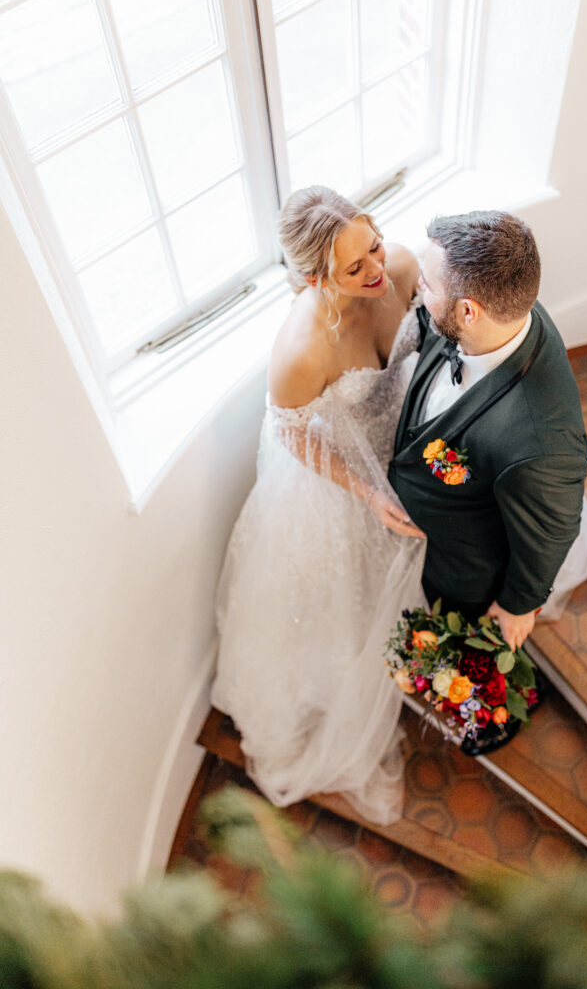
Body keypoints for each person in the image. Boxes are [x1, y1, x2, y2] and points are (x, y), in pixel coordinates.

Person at [211, 186, 427, 825]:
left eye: (375, 245)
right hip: (337, 483)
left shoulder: (404, 268)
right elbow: (294, 435)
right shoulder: (302, 350)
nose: (377, 270)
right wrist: (369, 492)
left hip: (400, 441)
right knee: (346, 608)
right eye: (355, 268)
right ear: (313, 278)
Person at [388, 210, 587, 755]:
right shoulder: (499, 313)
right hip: (447, 531)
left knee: (476, 647)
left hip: (472, 570)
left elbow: (553, 529)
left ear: (468, 311)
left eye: (427, 284)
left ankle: (494, 715)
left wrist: (517, 606)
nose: (418, 289)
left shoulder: (536, 444)